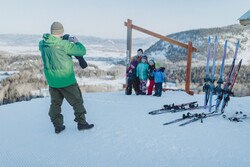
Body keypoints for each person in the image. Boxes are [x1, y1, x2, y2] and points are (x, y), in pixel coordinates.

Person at [39, 21, 94, 134]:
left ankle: (57, 126)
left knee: (55, 103)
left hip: (52, 81)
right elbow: (82, 50)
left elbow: (53, 45)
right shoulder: (64, 45)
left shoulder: (42, 44)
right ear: (61, 31)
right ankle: (82, 123)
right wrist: (76, 42)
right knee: (77, 101)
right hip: (66, 80)